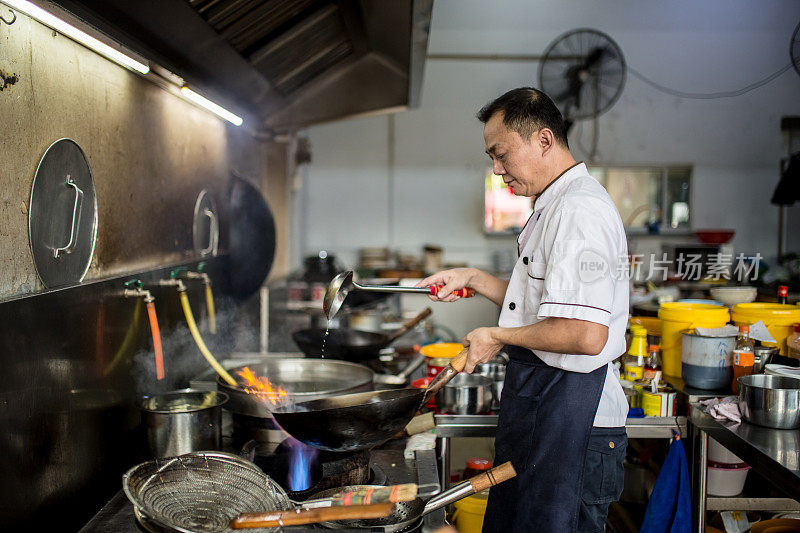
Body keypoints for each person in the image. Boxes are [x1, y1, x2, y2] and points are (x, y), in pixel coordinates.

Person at [418, 87, 629, 532]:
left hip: (576, 422)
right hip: (549, 410)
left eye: (501, 154)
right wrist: (473, 278)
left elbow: (585, 334)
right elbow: (539, 306)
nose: (496, 169)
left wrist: (494, 336)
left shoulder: (579, 211)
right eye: (491, 157)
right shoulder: (553, 206)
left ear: (544, 141)